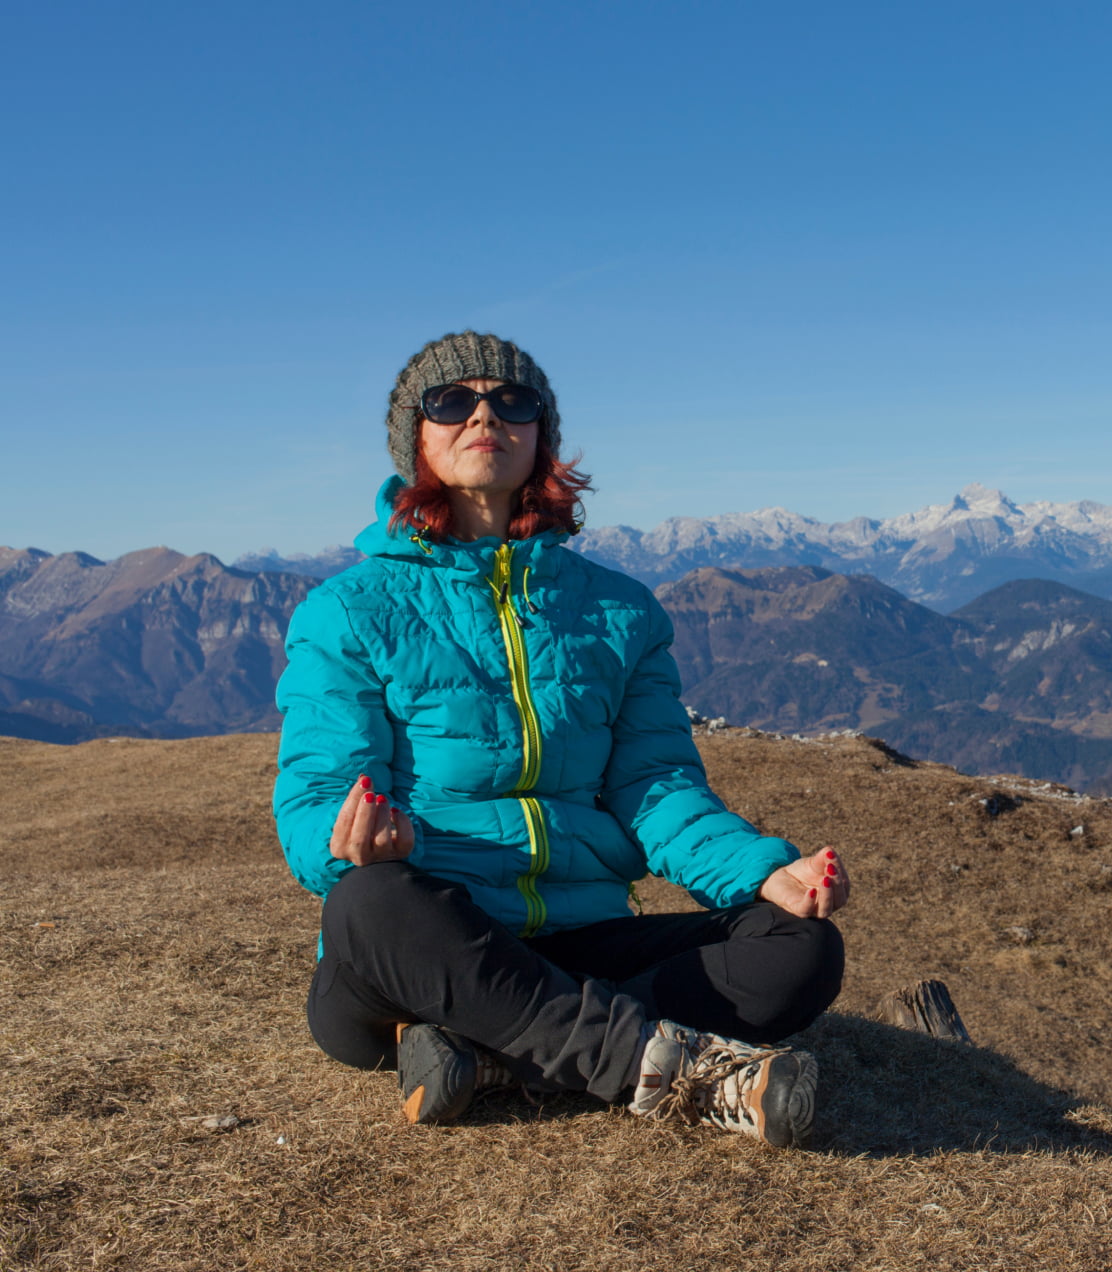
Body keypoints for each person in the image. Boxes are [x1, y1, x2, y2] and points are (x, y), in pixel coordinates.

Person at [271, 332, 846, 1148]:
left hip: (581, 940)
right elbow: (315, 791)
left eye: (512, 401)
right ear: (416, 439)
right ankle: (674, 1072)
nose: (484, 415)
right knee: (368, 900)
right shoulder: (349, 610)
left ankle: (491, 1054)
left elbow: (654, 785)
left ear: (541, 433)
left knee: (798, 948)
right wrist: (354, 842)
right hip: (427, 942)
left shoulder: (618, 610)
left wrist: (761, 871)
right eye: (451, 401)